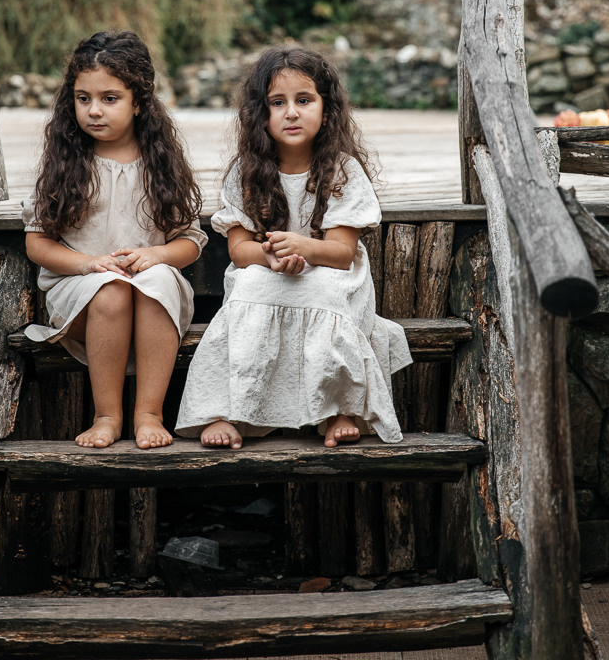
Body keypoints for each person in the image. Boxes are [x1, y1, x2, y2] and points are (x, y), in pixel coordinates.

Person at [176, 45, 412, 449]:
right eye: (277, 102)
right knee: (249, 287)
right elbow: (239, 250)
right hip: (267, 271)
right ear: (259, 113)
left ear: (327, 110)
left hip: (331, 273)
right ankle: (229, 411)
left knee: (323, 293)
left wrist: (303, 248)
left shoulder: (342, 170)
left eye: (304, 100)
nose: (291, 113)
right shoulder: (246, 173)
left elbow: (341, 254)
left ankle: (340, 407)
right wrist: (270, 256)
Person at [23, 30, 206, 450]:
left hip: (153, 298)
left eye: (109, 98)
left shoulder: (161, 166)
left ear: (138, 102)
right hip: (82, 296)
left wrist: (158, 254)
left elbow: (190, 242)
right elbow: (38, 244)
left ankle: (149, 414)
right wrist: (88, 263)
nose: (94, 110)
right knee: (112, 290)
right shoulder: (66, 164)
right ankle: (106, 415)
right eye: (83, 98)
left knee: (155, 282)